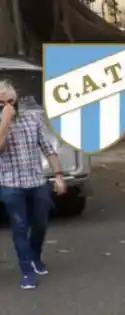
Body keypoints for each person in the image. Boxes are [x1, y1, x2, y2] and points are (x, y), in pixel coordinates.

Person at [0, 80, 66, 290]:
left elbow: (47, 147)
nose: (7, 106)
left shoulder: (32, 119)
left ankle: (35, 255)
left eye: (10, 101)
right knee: (19, 226)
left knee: (40, 223)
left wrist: (58, 175)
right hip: (10, 183)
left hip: (37, 180)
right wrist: (4, 122)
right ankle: (27, 271)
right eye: (1, 103)